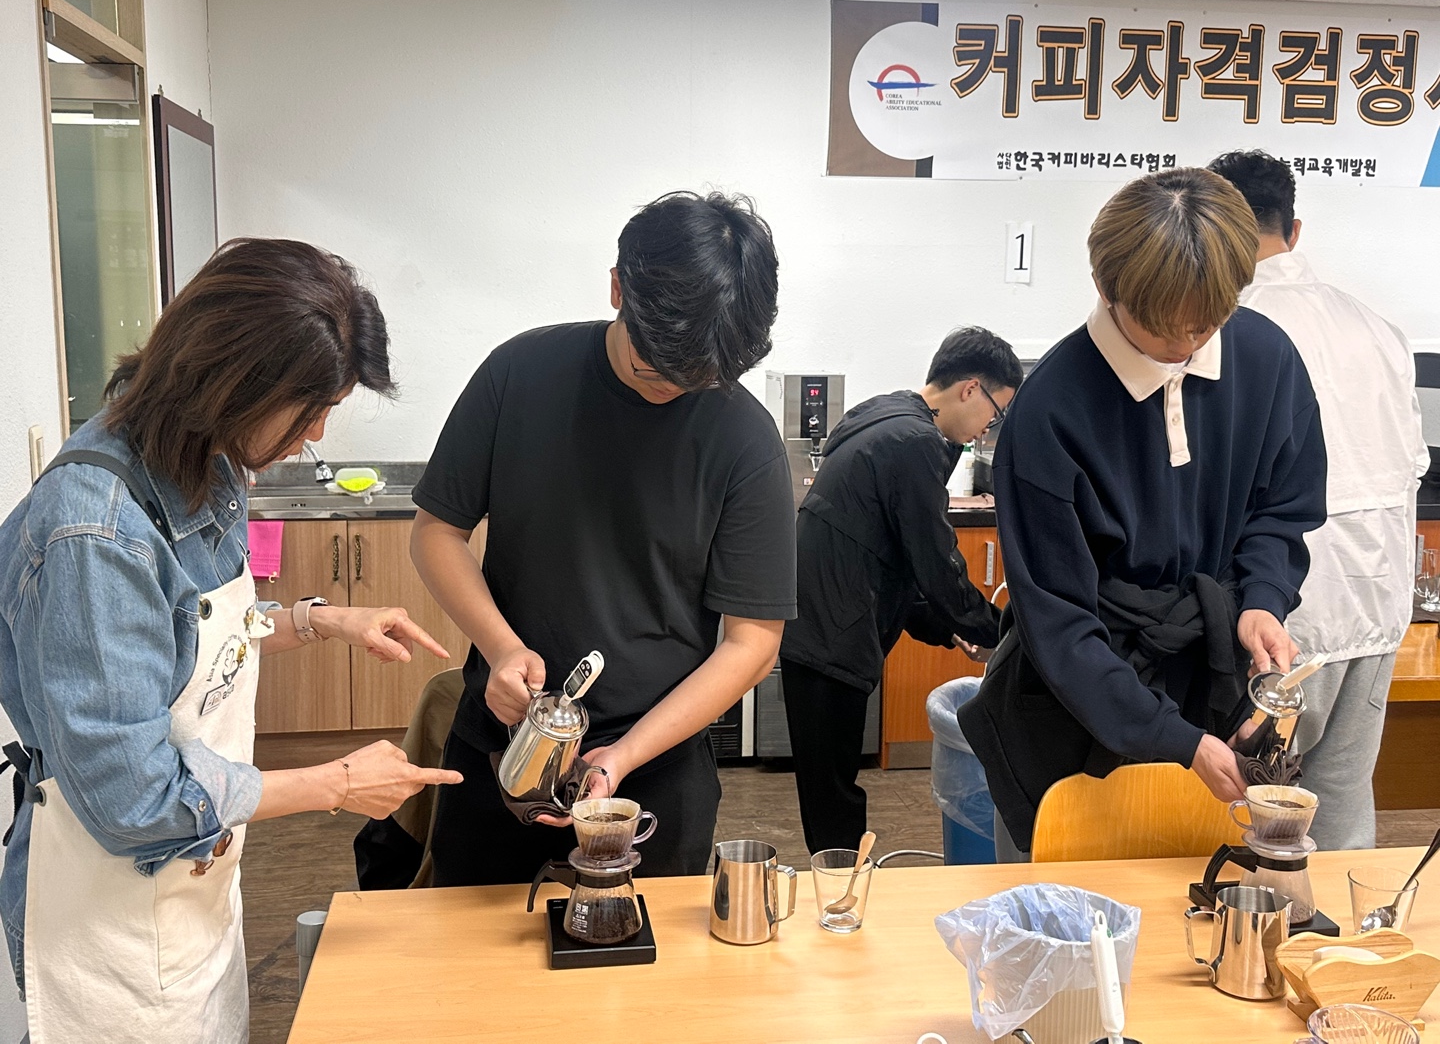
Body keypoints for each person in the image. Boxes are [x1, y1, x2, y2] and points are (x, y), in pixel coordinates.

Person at [0, 238, 463, 1042]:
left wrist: (320, 619)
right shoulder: (95, 532)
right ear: (235, 379)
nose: (316, 432)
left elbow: (200, 638)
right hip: (111, 923)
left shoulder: (206, 463)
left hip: (194, 890)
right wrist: (336, 783)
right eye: (309, 409)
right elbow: (135, 794)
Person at [410, 191, 796, 886]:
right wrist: (502, 649)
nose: (671, 390)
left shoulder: (745, 438)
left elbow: (753, 641)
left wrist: (622, 756)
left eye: (696, 381)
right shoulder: (518, 374)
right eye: (655, 370)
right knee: (468, 948)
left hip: (656, 768)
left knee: (644, 956)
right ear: (618, 287)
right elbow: (437, 532)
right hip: (502, 747)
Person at [958, 168, 1329, 861]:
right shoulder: (1050, 412)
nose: (1187, 344)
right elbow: (1060, 624)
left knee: (1207, 895)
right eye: (1164, 327)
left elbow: (1283, 507)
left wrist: (1262, 599)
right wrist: (1174, 740)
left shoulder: (1267, 359)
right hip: (1077, 704)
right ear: (1107, 287)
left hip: (1213, 682)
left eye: (1208, 323)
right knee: (1060, 905)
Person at [1209, 149, 1427, 850]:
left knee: (1248, 810)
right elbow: (1412, 464)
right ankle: (1337, 926)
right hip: (1376, 600)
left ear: (1213, 229)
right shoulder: (1379, 328)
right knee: (1338, 807)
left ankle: (1245, 925)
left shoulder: (1225, 328)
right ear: (1293, 230)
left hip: (1276, 619)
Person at [778, 327, 1021, 855]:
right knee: (834, 797)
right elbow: (936, 565)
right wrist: (1002, 633)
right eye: (996, 413)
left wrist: (949, 629)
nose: (988, 428)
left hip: (817, 626)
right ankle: (842, 894)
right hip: (831, 639)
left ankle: (840, 885)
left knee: (828, 791)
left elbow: (892, 557)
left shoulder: (885, 414)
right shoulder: (915, 443)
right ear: (971, 388)